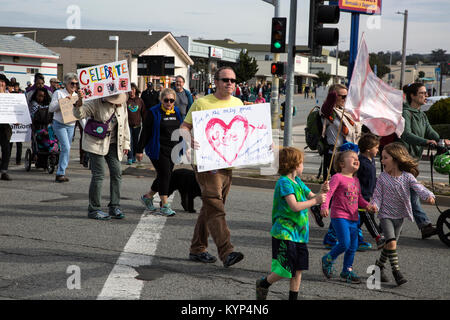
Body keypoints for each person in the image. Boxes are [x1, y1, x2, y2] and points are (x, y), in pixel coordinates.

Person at [180, 66, 245, 268]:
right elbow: (184, 127)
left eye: (233, 80)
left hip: (227, 163)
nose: (230, 83)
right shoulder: (201, 103)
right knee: (216, 207)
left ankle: (197, 248)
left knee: (211, 207)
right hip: (206, 164)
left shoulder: (238, 102)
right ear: (215, 82)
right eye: (225, 79)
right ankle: (227, 252)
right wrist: (188, 139)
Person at [255, 147, 328, 300]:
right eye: (301, 163)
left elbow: (313, 197)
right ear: (294, 165)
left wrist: (322, 191)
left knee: (298, 269)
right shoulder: (284, 183)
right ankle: (263, 283)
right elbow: (294, 206)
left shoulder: (298, 182)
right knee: (284, 269)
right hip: (285, 232)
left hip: (300, 234)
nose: (303, 166)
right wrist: (315, 200)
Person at [371, 142, 435, 285]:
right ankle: (397, 272)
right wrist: (374, 205)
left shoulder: (407, 177)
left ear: (395, 159)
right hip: (385, 216)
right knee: (392, 243)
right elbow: (377, 195)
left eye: (385, 158)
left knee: (390, 245)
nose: (382, 161)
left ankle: (378, 267)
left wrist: (428, 195)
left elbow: (419, 188)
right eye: (381, 157)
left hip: (399, 216)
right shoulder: (382, 177)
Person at [400, 82, 450, 239]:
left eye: (425, 93)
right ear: (413, 96)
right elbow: (405, 134)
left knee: (403, 193)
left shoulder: (422, 115)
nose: (426, 96)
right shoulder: (405, 113)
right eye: (422, 93)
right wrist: (425, 142)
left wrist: (441, 140)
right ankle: (425, 225)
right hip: (403, 157)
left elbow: (430, 132)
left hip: (413, 158)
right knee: (412, 191)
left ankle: (385, 224)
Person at [320, 150, 376, 284]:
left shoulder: (356, 180)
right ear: (341, 164)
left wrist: (367, 205)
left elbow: (359, 198)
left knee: (353, 246)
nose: (356, 160)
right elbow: (328, 194)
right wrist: (323, 207)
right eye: (352, 158)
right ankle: (327, 259)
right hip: (339, 216)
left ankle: (347, 270)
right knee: (345, 243)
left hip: (353, 217)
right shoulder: (337, 177)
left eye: (357, 158)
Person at [73, 92, 130, 220]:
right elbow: (79, 114)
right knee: (99, 174)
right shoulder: (95, 101)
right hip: (96, 142)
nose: (116, 102)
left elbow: (125, 123)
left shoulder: (122, 104)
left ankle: (114, 206)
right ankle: (94, 209)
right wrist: (79, 104)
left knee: (117, 172)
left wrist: (126, 144)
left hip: (115, 143)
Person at [136, 88, 183, 217]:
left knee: (164, 175)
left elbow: (181, 129)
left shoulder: (177, 111)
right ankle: (164, 205)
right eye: (166, 100)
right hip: (158, 149)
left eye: (171, 100)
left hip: (173, 149)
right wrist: (139, 150)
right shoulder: (153, 112)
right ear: (161, 99)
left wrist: (184, 146)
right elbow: (145, 132)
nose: (169, 102)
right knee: (166, 175)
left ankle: (148, 196)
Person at [49, 73, 79, 182]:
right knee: (66, 147)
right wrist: (62, 102)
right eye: (72, 83)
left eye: (76, 83)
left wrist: (86, 128)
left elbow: (80, 113)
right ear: (66, 83)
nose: (74, 85)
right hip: (59, 123)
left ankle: (61, 171)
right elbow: (51, 109)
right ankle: (60, 173)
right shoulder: (59, 93)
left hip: (71, 125)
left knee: (66, 148)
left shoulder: (77, 96)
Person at [357, 133, 385, 249]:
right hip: (361, 195)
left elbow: (372, 178)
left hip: (369, 194)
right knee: (368, 216)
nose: (378, 150)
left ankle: (350, 236)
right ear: (368, 150)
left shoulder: (371, 160)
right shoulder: (361, 162)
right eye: (376, 148)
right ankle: (378, 237)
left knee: (361, 220)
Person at [126, 83, 145, 165]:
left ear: (135, 90)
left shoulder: (140, 100)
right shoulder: (126, 100)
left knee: (136, 141)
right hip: (128, 125)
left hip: (137, 125)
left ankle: (134, 156)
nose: (131, 91)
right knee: (129, 141)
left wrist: (145, 122)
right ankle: (129, 157)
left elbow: (143, 112)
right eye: (130, 90)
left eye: (133, 89)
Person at [0, 74, 12, 181]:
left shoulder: (10, 96)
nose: (1, 83)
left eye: (3, 81)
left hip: (5, 127)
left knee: (6, 149)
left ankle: (4, 171)